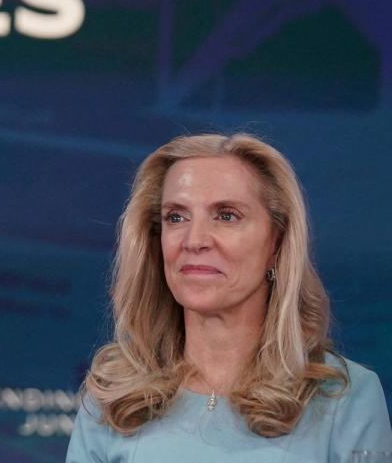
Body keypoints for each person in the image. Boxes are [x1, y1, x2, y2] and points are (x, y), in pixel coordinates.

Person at [67, 133, 392, 463]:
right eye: (175, 217)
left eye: (226, 215)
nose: (194, 240)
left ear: (276, 244)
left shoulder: (345, 399)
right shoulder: (113, 398)